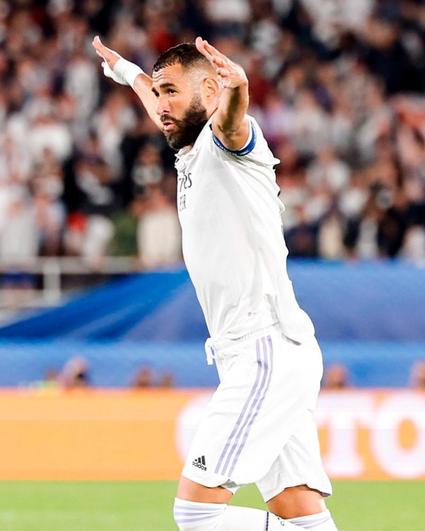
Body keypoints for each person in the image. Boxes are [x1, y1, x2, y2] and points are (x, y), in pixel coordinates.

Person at [93, 35, 338, 531]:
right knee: (298, 509)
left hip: (263, 349)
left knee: (197, 511)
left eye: (171, 93)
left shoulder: (230, 144)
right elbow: (150, 88)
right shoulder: (190, 153)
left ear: (210, 87)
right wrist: (126, 72)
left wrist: (238, 90)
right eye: (158, 95)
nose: (160, 106)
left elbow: (232, 122)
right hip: (265, 352)